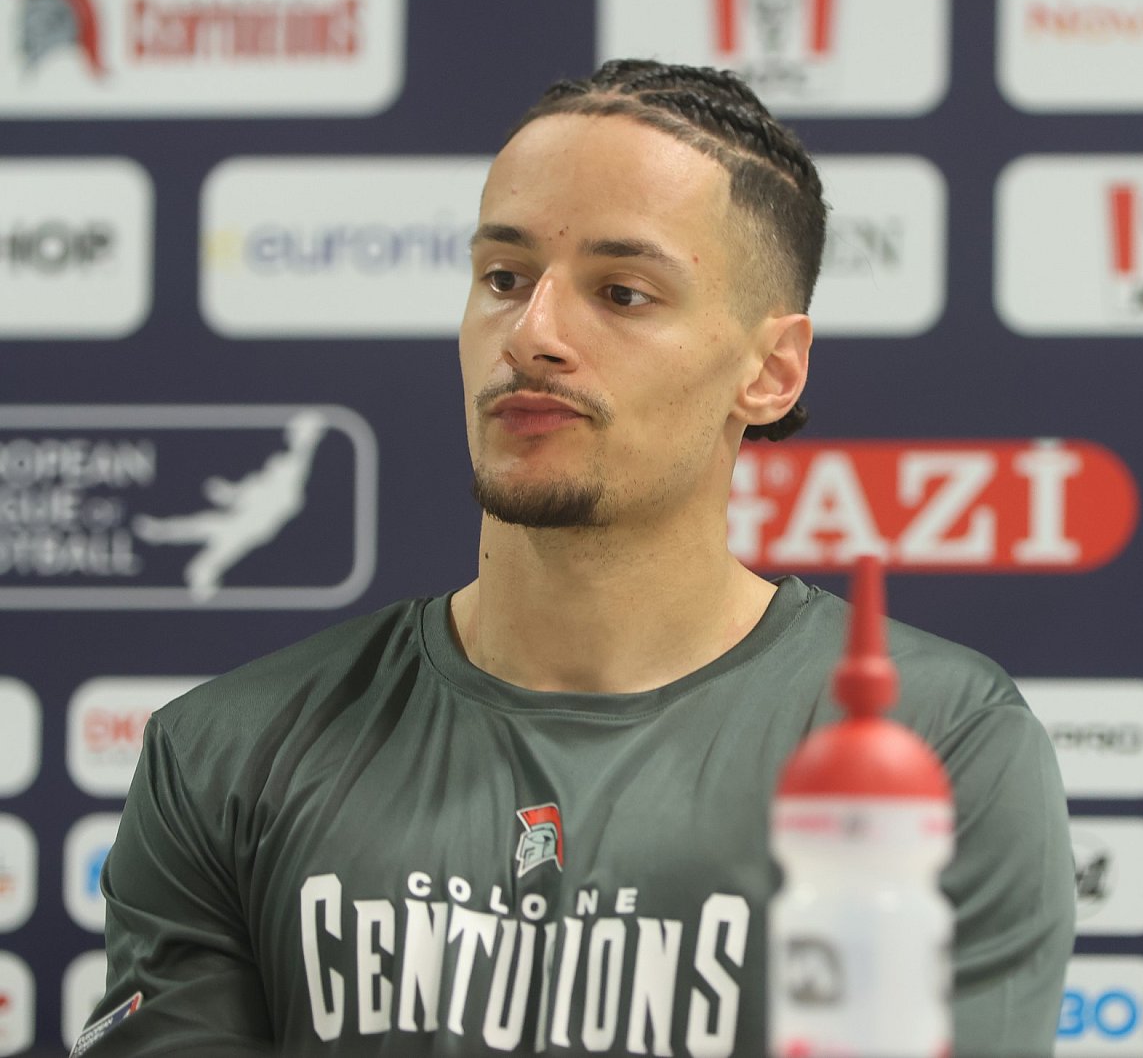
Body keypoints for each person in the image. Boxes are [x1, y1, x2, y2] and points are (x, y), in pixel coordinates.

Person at [81, 60, 1075, 1058]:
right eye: (504, 278)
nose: (533, 334)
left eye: (622, 292)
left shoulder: (931, 747)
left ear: (771, 370)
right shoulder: (224, 753)